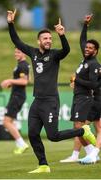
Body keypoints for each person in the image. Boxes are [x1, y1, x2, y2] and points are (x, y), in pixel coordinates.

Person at [7, 9, 96, 173]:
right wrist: (10, 23)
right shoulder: (33, 53)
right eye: (45, 38)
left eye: (50, 38)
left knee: (53, 136)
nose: (48, 41)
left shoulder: (55, 55)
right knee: (33, 134)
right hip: (37, 102)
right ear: (38, 40)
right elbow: (16, 40)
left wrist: (62, 35)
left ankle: (83, 130)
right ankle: (43, 165)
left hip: (50, 101)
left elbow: (66, 51)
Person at [60, 14, 101, 163]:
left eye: (91, 48)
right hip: (78, 96)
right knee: (78, 127)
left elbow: (94, 84)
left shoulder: (94, 65)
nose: (87, 48)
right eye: (87, 47)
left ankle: (92, 153)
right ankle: (91, 153)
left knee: (80, 127)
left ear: (95, 51)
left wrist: (78, 80)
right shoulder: (85, 60)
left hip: (86, 98)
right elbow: (82, 40)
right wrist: (85, 25)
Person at [1, 48, 30, 154]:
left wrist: (9, 80)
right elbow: (28, 79)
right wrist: (12, 83)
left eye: (18, 52)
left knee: (6, 122)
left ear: (24, 53)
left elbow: (24, 81)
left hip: (17, 96)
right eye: (15, 52)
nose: (16, 54)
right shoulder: (23, 65)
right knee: (9, 122)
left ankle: (22, 144)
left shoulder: (22, 65)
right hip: (17, 95)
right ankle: (20, 145)